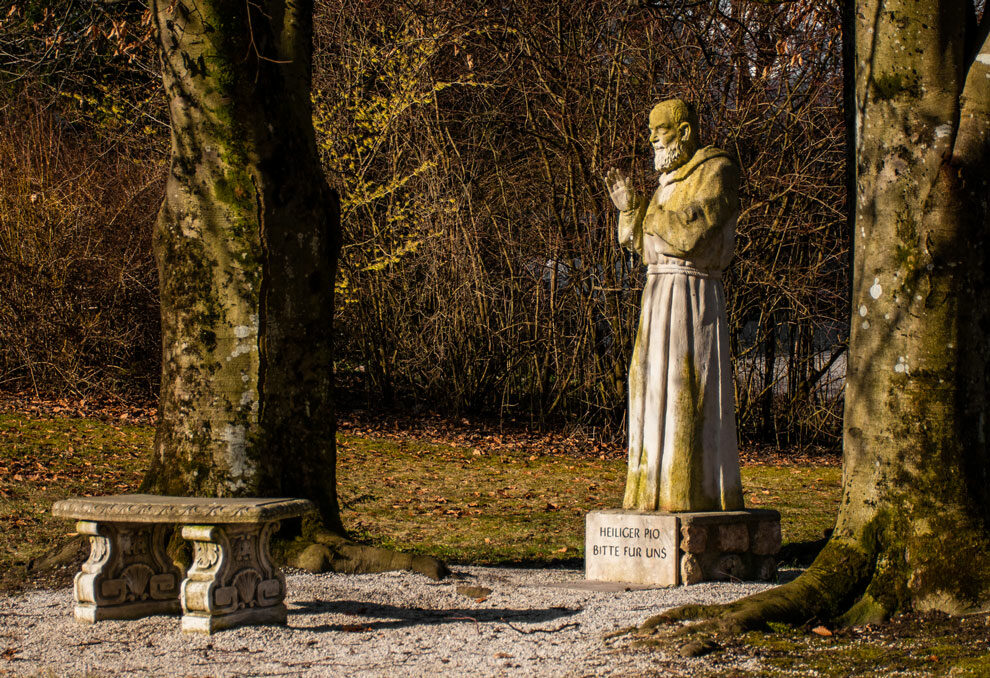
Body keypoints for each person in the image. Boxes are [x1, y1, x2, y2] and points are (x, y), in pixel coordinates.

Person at [605, 99, 744, 512]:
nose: (650, 138)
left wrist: (648, 216)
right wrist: (631, 209)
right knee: (646, 386)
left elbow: (689, 235)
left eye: (659, 129)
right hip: (658, 292)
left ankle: (684, 496)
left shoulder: (716, 171)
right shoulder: (667, 180)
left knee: (684, 389)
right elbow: (639, 243)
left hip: (691, 296)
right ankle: (649, 496)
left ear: (684, 132)